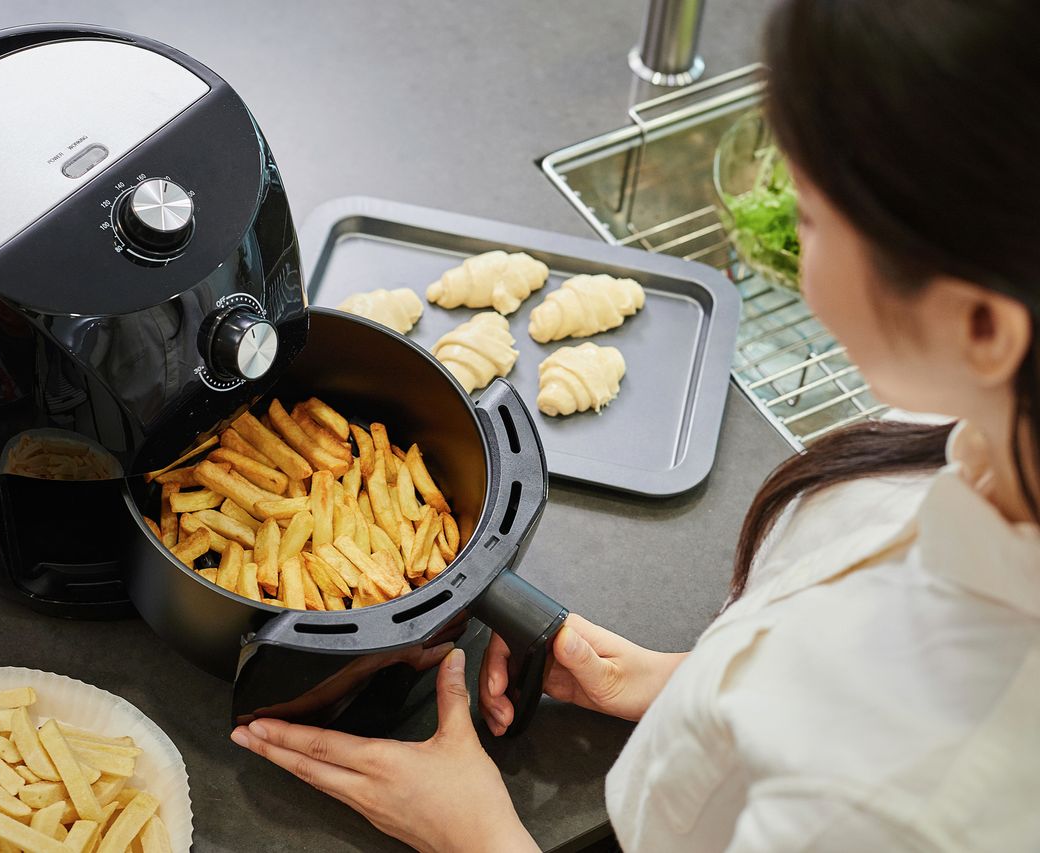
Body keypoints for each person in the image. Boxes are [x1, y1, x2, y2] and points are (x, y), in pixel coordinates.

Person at [228, 0, 1040, 848]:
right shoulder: (978, 426)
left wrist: (474, 835)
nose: (768, 242)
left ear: (981, 327)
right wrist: (679, 684)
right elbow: (870, 654)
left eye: (807, 217)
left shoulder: (919, 806)